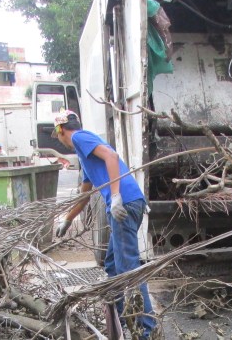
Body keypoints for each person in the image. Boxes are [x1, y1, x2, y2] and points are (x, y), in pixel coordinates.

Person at [52, 110, 156, 339]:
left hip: (124, 206)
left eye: (57, 134)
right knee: (112, 266)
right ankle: (116, 322)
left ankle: (148, 332)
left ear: (61, 130)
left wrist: (116, 196)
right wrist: (67, 220)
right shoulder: (84, 155)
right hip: (129, 205)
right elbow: (84, 196)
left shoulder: (80, 137)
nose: (58, 138)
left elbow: (111, 155)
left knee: (129, 271)